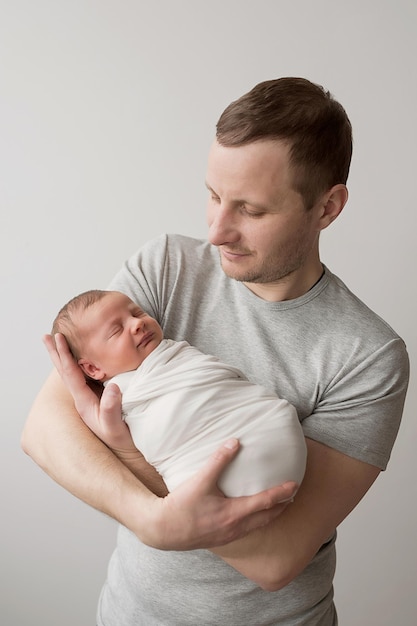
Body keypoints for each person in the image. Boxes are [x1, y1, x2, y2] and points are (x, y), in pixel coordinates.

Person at [22, 77, 409, 625]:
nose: (217, 231)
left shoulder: (367, 357)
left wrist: (132, 466)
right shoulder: (167, 268)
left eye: (251, 210)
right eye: (212, 195)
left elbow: (276, 556)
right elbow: (43, 429)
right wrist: (149, 518)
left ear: (327, 208)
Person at [50, 288, 307, 496]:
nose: (137, 323)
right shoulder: (118, 397)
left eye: (137, 313)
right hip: (212, 469)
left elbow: (217, 383)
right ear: (93, 368)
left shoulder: (175, 355)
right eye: (117, 330)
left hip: (266, 429)